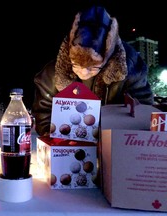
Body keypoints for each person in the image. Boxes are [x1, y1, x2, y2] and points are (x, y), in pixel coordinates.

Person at [32, 6, 154, 136]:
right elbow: (43, 113)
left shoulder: (129, 67)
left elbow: (143, 109)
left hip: (116, 142)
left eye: (93, 67)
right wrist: (57, 139)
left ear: (107, 57)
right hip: (69, 146)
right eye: (77, 65)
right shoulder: (53, 72)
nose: (84, 72)